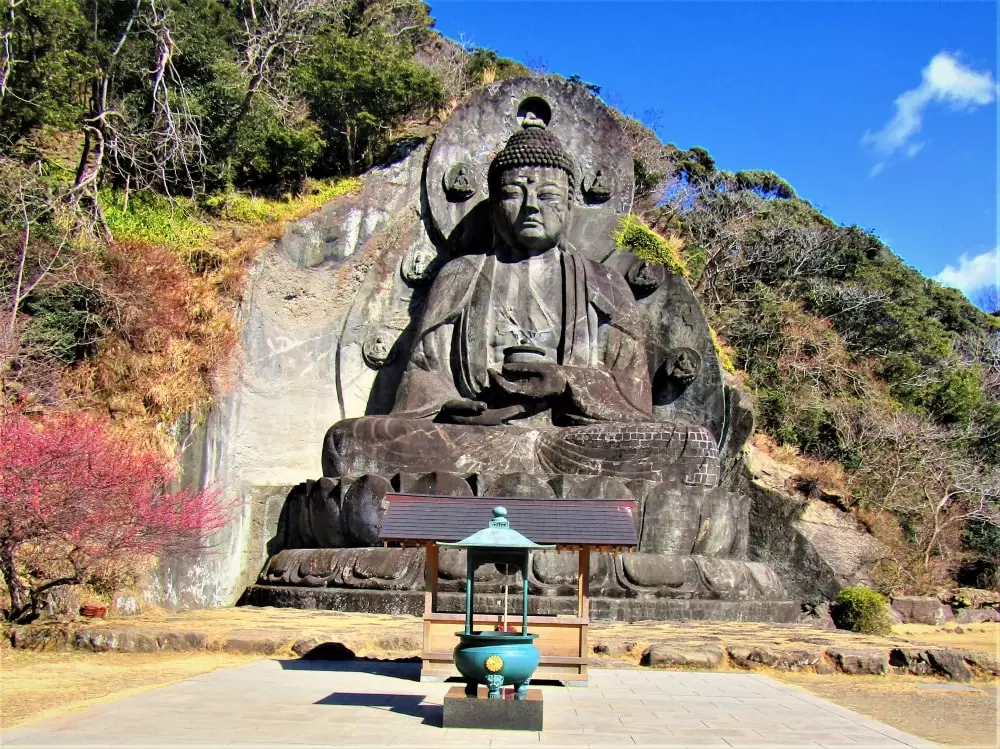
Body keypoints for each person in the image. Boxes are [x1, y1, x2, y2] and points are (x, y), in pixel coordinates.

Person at [323, 119, 719, 486]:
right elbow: (424, 374)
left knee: (692, 445)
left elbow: (632, 399)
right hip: (473, 441)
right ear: (495, 207)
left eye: (548, 195)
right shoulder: (462, 273)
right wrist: (450, 404)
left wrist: (566, 382)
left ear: (568, 205)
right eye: (514, 193)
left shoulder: (604, 282)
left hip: (571, 441)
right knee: (353, 439)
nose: (531, 206)